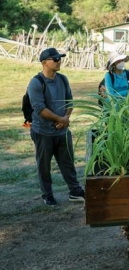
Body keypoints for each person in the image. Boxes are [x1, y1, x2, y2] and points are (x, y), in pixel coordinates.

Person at [28, 47, 85, 206]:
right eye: (56, 59)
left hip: (62, 130)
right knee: (44, 165)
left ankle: (75, 191)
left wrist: (66, 118)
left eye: (60, 58)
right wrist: (60, 118)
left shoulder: (63, 79)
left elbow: (69, 100)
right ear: (45, 62)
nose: (59, 61)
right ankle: (47, 194)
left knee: (68, 162)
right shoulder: (36, 83)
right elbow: (39, 108)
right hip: (43, 132)